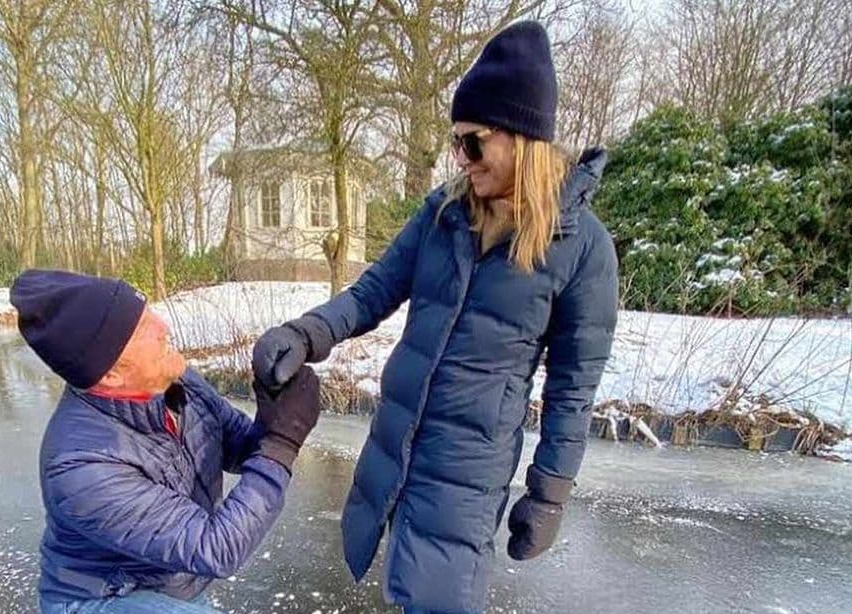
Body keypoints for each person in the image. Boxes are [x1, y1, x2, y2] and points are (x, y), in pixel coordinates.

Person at [252, 20, 619, 614]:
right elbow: (373, 291)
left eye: (473, 142)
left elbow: (573, 392)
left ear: (520, 138)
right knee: (402, 586)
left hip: (467, 472)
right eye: (456, 143)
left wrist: (549, 493)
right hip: (397, 441)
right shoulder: (444, 213)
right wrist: (306, 332)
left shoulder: (581, 247)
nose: (462, 158)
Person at [10, 269, 321, 613]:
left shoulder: (173, 380)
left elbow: (240, 449)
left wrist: (274, 407)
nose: (163, 326)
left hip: (169, 584)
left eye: (148, 312)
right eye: (141, 328)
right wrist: (282, 443)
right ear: (111, 374)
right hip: (103, 598)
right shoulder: (81, 465)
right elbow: (217, 548)